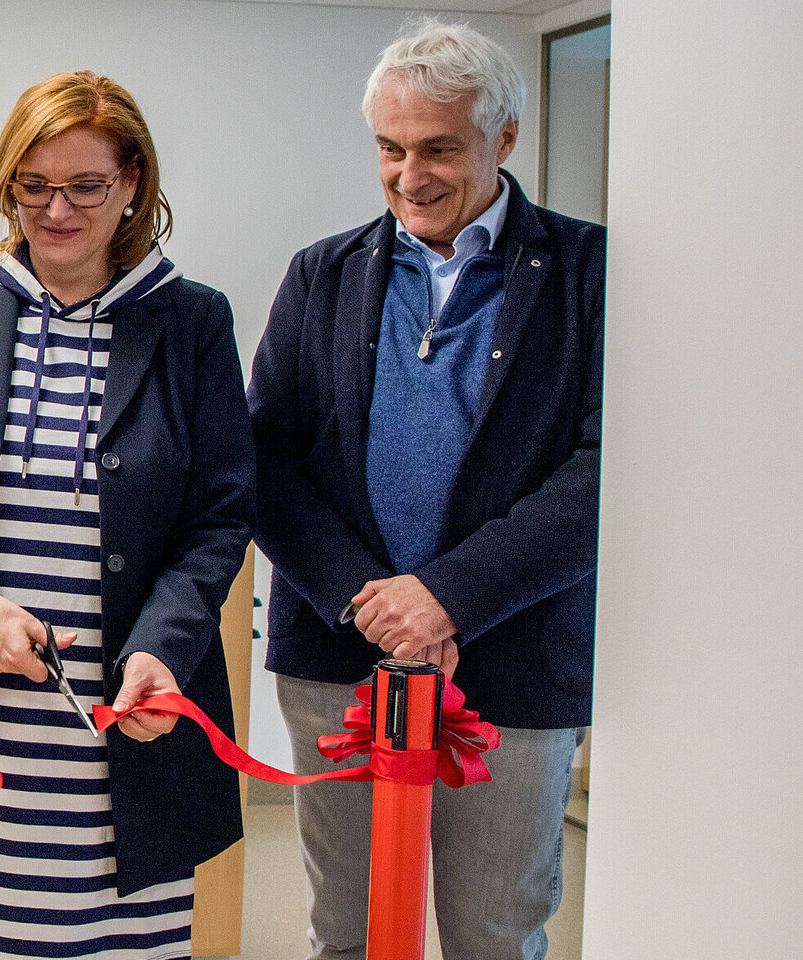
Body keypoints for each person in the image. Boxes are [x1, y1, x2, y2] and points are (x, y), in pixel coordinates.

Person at [0, 71, 254, 960]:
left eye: (84, 186)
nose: (55, 211)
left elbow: (221, 516)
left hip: (119, 717)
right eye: (32, 186)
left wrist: (162, 647)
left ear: (134, 184)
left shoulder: (191, 323)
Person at [248, 21, 603, 960]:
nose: (411, 176)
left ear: (506, 138)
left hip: (515, 663)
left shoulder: (590, 276)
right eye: (391, 149)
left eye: (440, 148)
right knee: (351, 931)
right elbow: (266, 461)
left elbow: (605, 477)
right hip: (339, 654)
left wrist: (446, 598)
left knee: (492, 933)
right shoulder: (321, 275)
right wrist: (374, 605)